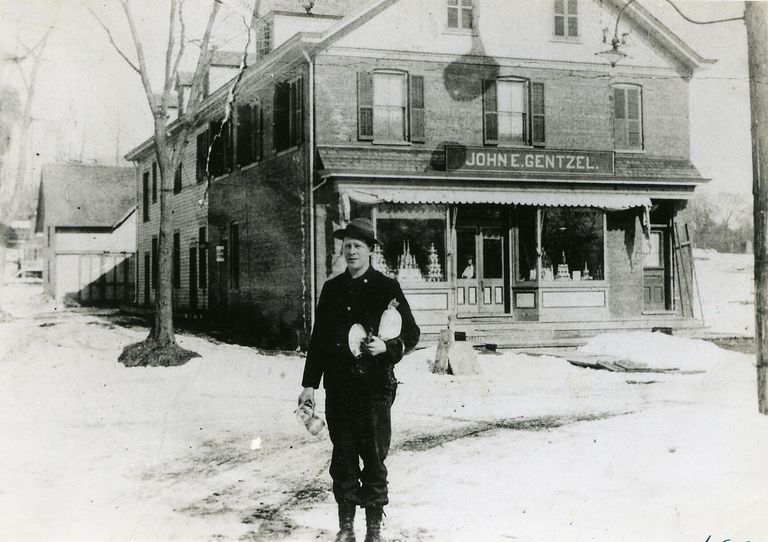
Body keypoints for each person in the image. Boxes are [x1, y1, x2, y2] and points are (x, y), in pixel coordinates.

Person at [299, 218, 420, 542]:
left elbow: (412, 333)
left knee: (374, 459)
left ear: (370, 251)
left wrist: (388, 346)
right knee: (343, 458)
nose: (351, 251)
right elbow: (319, 341)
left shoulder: (386, 287)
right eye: (347, 246)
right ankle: (346, 526)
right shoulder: (332, 289)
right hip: (339, 390)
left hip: (374, 390)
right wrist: (309, 385)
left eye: (358, 246)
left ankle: (374, 529)